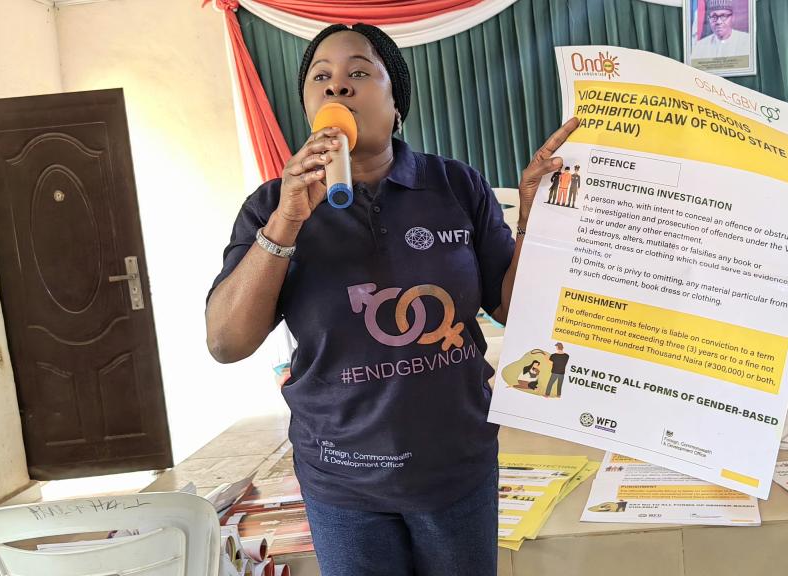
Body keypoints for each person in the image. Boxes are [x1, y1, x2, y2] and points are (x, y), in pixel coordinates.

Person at [205, 23, 579, 576]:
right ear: (307, 105)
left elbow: (514, 310)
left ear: (396, 102)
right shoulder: (270, 205)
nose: (338, 88)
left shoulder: (455, 186)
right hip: (342, 480)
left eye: (359, 72)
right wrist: (286, 222)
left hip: (456, 468)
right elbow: (226, 342)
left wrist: (534, 218)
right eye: (321, 78)